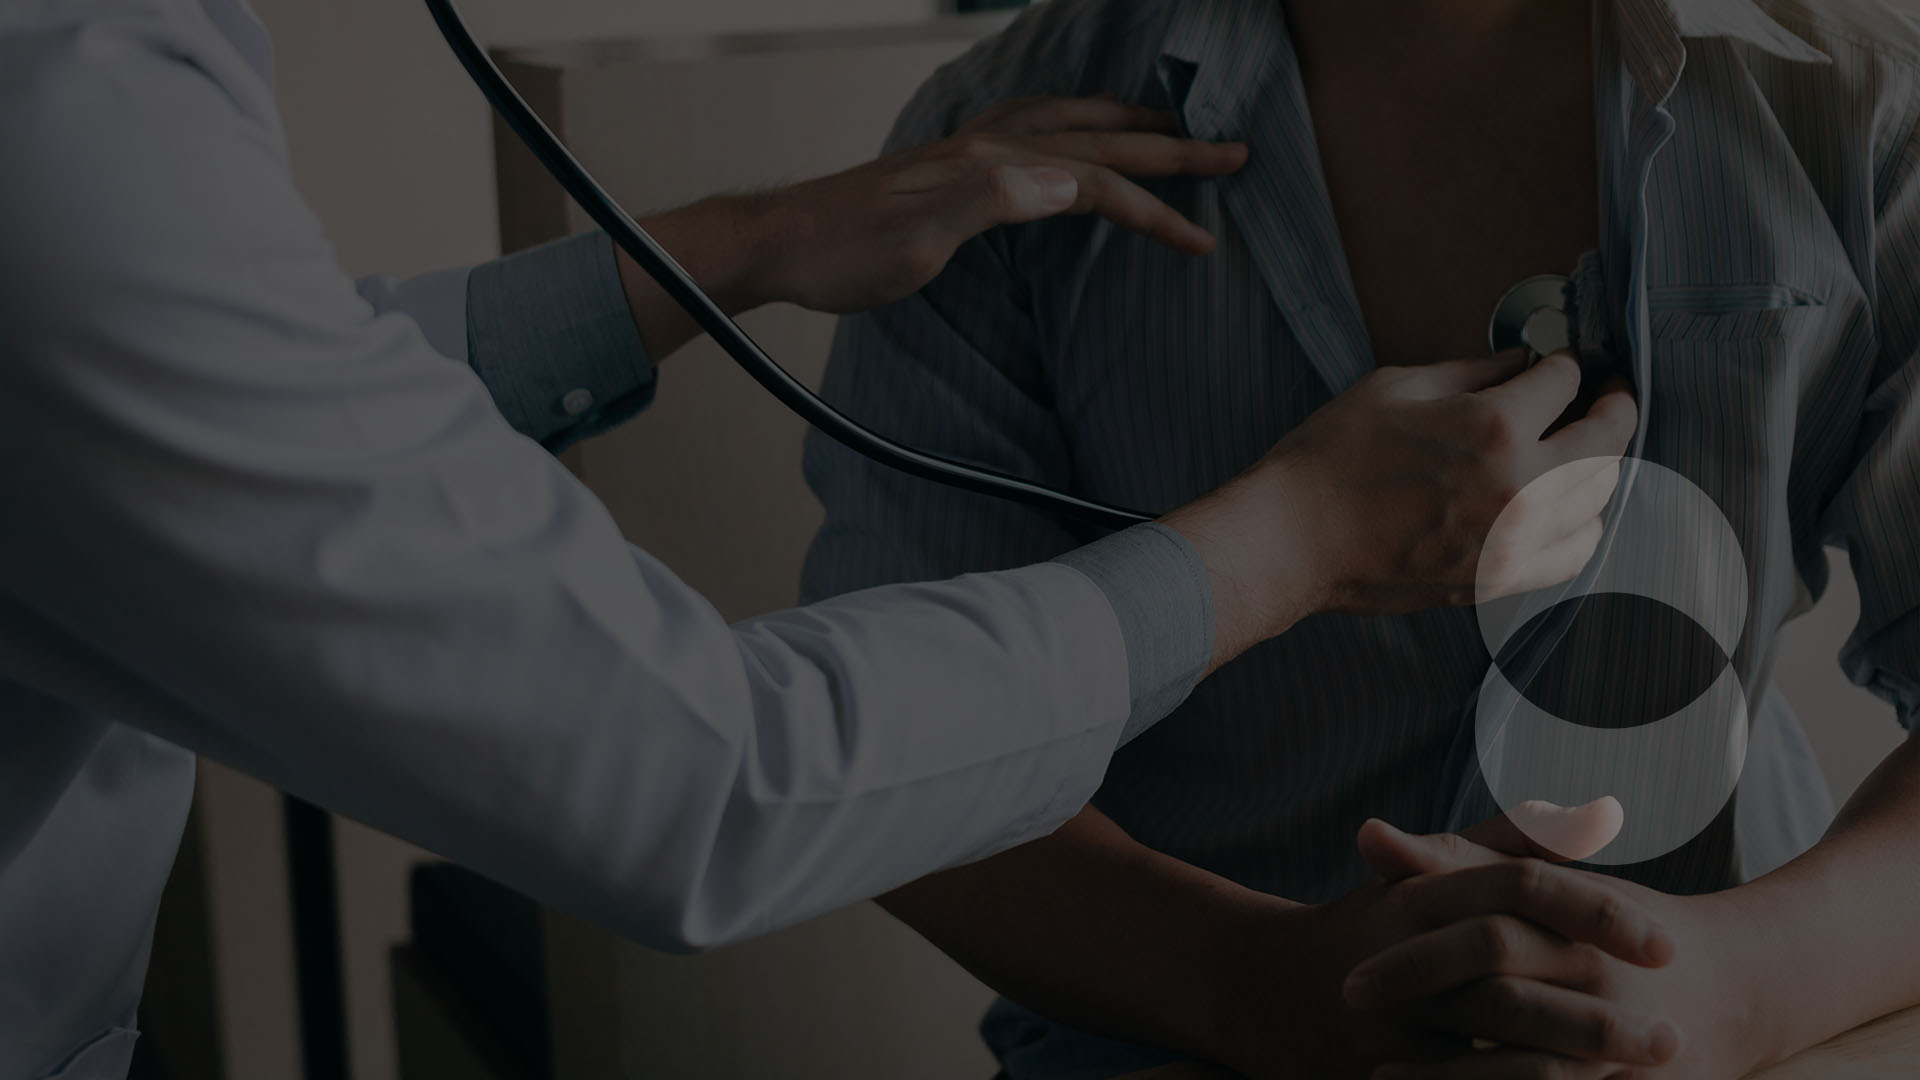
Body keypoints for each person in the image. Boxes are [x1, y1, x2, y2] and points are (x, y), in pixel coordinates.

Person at [0, 1, 1646, 1077]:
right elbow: (708, 782)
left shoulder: (1827, 108)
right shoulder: (53, 117)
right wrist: (1290, 542)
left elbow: (222, 408)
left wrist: (743, 247)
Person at [801, 0, 1920, 1076]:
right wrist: (1252, 983)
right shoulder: (999, 140)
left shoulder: (1865, 104)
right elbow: (895, 761)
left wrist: (1745, 982)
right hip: (1177, 1050)